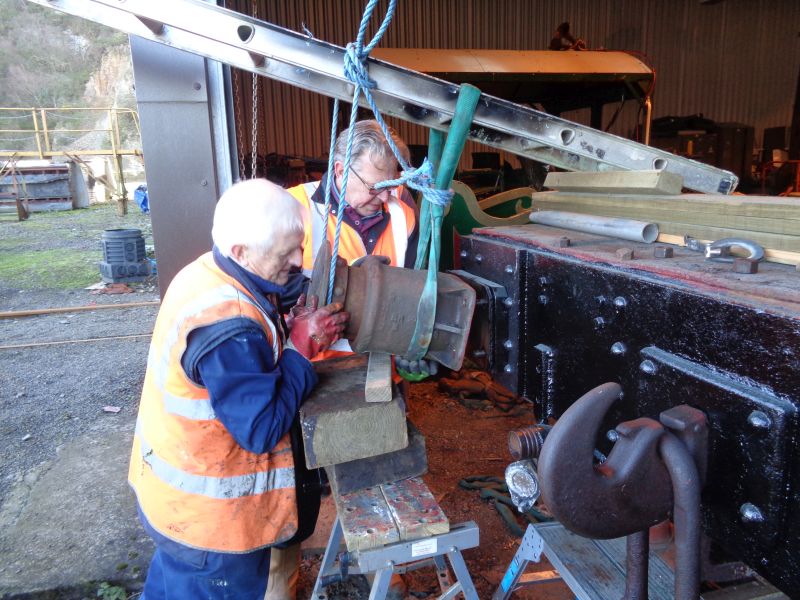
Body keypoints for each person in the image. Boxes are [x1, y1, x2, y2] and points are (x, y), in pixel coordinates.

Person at [128, 179, 348, 600]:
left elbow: (270, 296)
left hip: (174, 502)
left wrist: (293, 306)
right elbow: (261, 429)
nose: (298, 260)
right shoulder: (229, 329)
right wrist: (301, 348)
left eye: (298, 246)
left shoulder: (206, 270)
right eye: (286, 253)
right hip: (213, 528)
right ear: (242, 252)